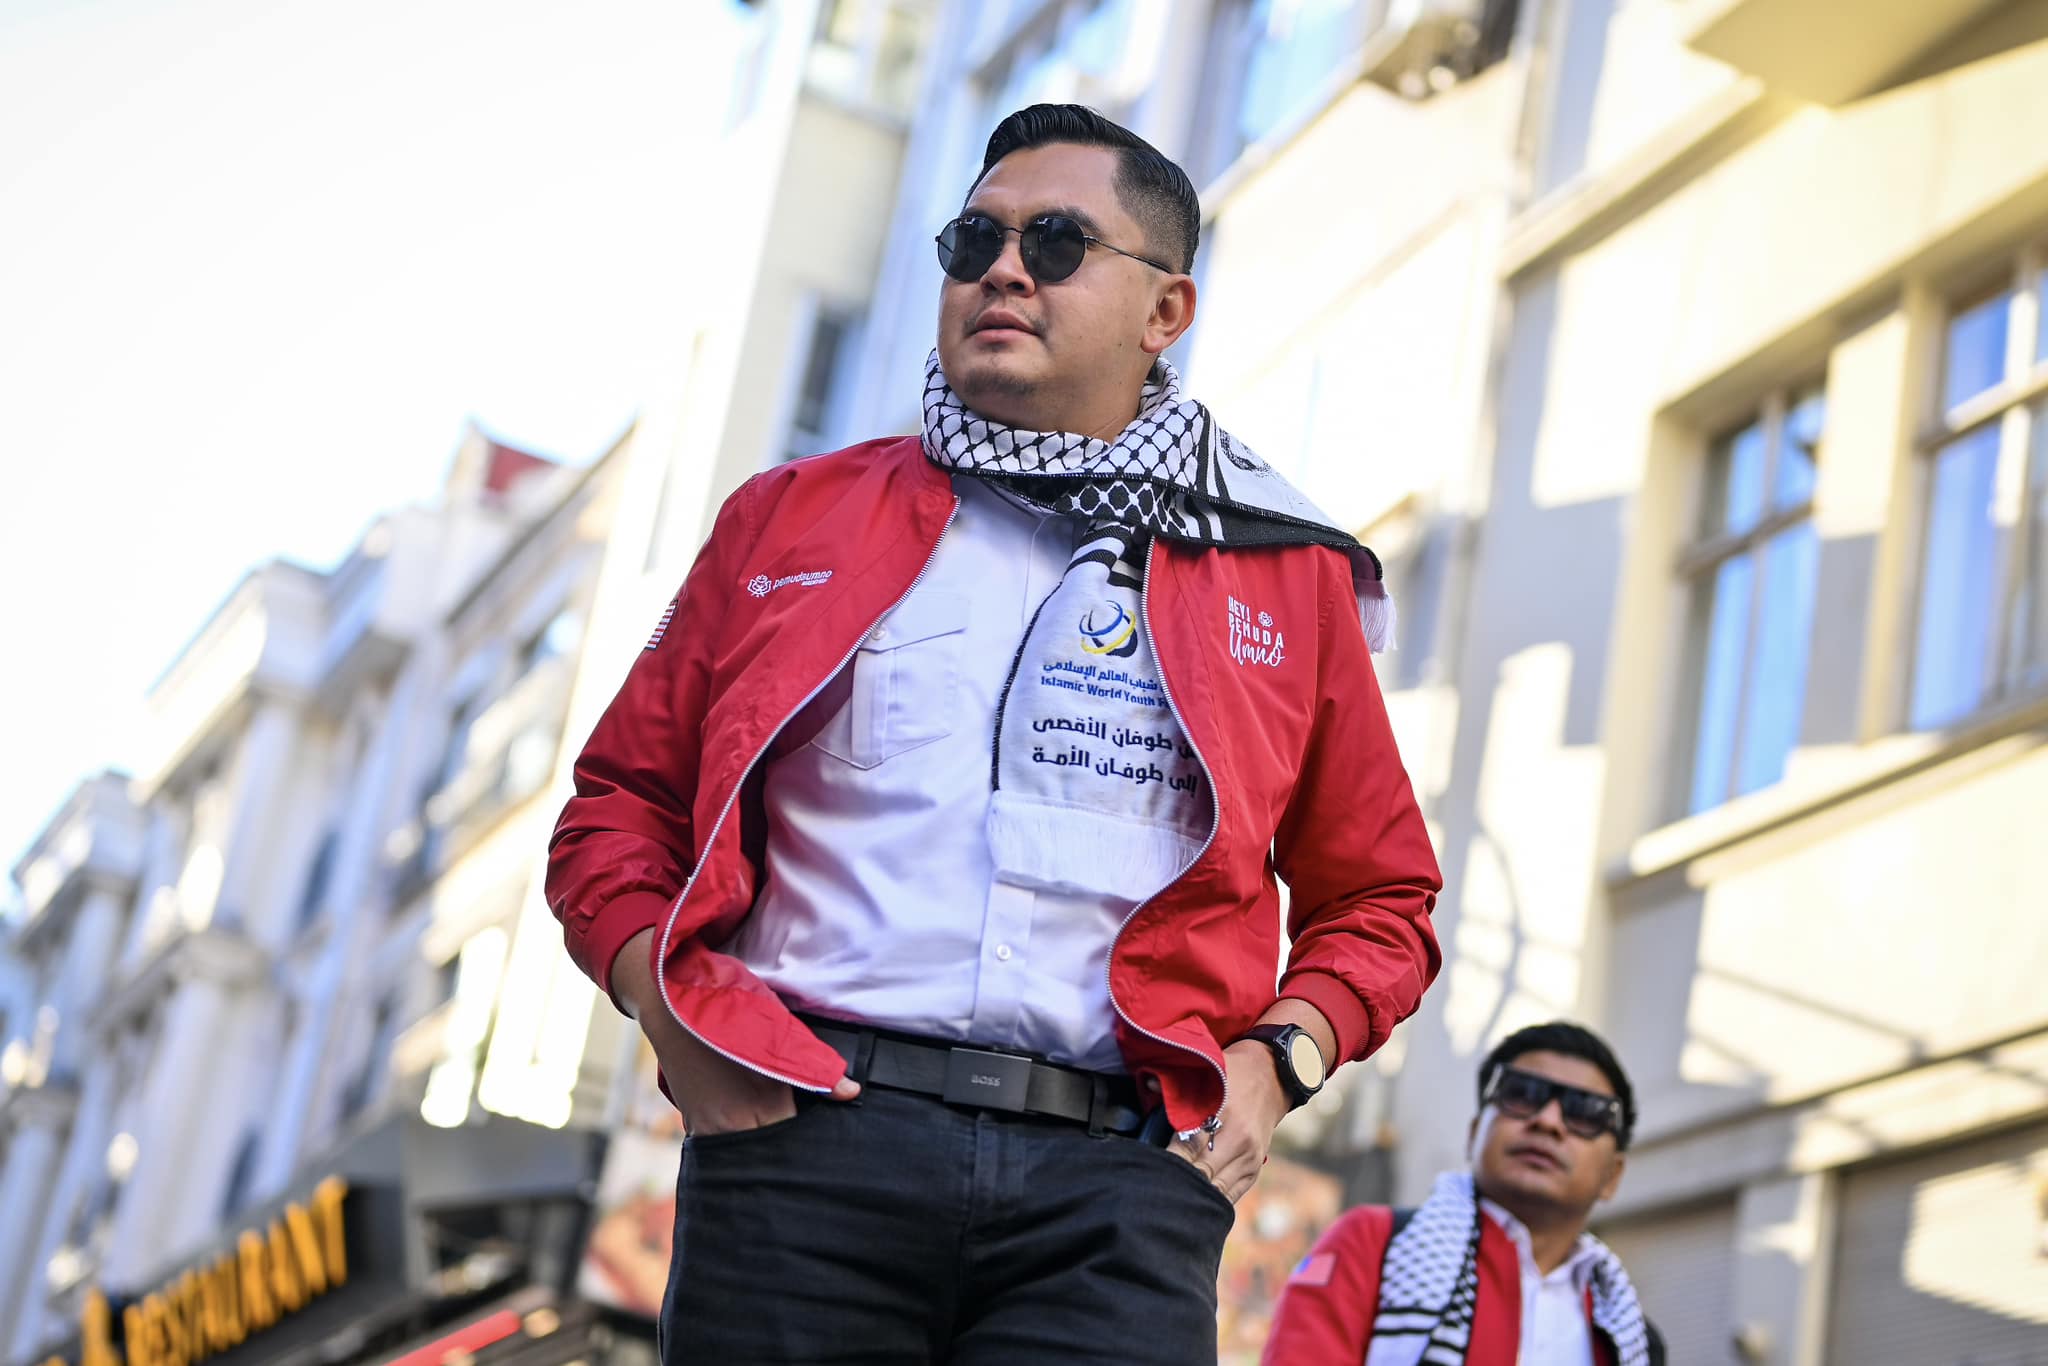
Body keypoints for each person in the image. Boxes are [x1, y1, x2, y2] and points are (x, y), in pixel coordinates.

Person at [547, 103, 1442, 1365]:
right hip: (801, 1149)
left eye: (1058, 242)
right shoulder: (788, 517)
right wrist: (671, 1018)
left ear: (1165, 311)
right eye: (975, 241)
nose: (1004, 270)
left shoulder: (1281, 573)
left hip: (1121, 1187)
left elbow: (1382, 895)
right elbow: (618, 810)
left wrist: (1276, 1061)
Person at [1261, 1022, 1667, 1365]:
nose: (1548, 1121)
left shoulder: (1633, 1341)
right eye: (1521, 1094)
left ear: (1612, 1176)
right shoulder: (1373, 1243)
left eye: (1584, 1112)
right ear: (1474, 1135)